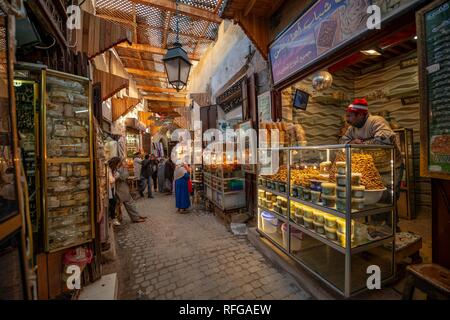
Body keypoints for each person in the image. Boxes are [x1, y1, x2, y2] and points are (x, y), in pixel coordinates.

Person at [340, 98, 404, 230]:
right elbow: (342, 141)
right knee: (375, 198)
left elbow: (385, 139)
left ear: (361, 114)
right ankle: (377, 228)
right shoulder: (352, 128)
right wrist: (351, 143)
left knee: (388, 197)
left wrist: (361, 143)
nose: (348, 120)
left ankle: (391, 228)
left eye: (350, 116)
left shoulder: (376, 121)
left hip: (392, 166)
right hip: (374, 168)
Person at [108, 157, 146, 223]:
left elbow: (125, 176)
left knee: (131, 202)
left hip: (122, 188)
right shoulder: (118, 169)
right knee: (129, 203)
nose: (124, 162)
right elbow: (123, 177)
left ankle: (136, 215)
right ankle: (135, 218)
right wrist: (124, 169)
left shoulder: (118, 169)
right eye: (123, 161)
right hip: (120, 189)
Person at [107, 161, 121, 226]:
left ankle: (113, 218)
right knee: (113, 202)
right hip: (110, 189)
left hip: (112, 189)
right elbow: (111, 180)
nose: (118, 165)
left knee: (113, 202)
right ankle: (113, 218)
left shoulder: (113, 170)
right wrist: (115, 177)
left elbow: (116, 174)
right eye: (118, 164)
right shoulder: (109, 170)